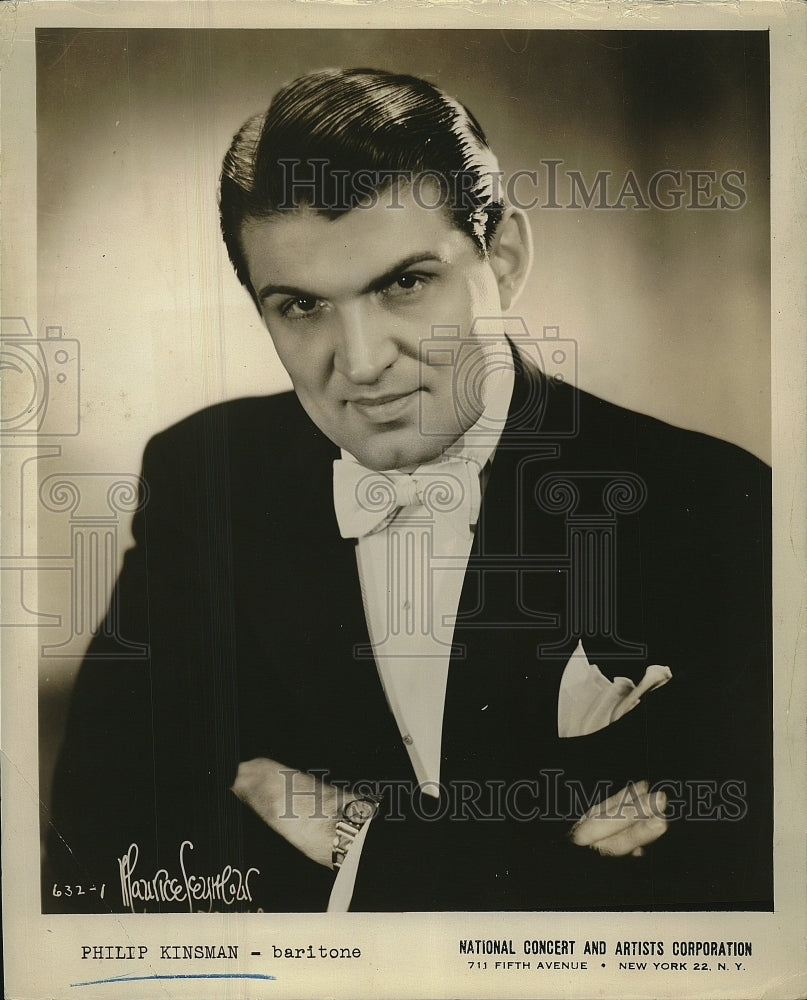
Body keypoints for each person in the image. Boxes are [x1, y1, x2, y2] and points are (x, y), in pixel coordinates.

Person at [44, 68, 772, 913]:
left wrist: (358, 843)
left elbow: (740, 882)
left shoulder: (712, 499)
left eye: (403, 284)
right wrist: (533, 853)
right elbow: (103, 855)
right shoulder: (203, 475)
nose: (359, 362)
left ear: (503, 256)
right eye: (300, 306)